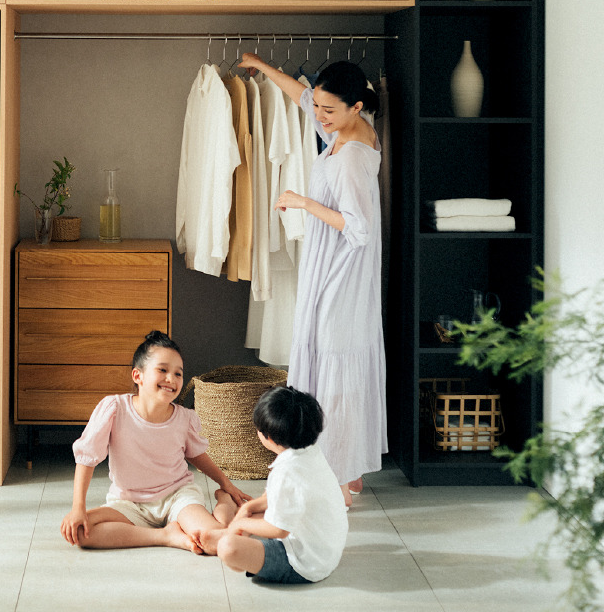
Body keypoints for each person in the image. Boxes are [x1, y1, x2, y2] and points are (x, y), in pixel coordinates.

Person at [237, 52, 387, 506]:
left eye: (327, 109)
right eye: (319, 107)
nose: (318, 115)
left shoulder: (352, 159)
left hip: (342, 272)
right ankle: (349, 470)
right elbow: (302, 97)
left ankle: (339, 478)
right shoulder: (345, 128)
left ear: (356, 106)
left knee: (335, 362)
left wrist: (303, 203)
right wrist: (261, 67)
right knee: (335, 361)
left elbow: (358, 228)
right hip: (332, 265)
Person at [60, 331, 253, 552]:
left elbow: (196, 455)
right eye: (162, 370)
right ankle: (164, 536)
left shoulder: (183, 418)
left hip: (176, 496)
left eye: (178, 373)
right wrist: (78, 508)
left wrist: (225, 484)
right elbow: (87, 458)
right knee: (82, 533)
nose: (171, 379)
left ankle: (224, 502)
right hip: (128, 502)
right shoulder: (114, 409)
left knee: (213, 541)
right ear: (137, 376)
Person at [204, 386, 349, 583]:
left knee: (228, 548)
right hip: (325, 550)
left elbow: (279, 530)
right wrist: (249, 507)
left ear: (267, 437)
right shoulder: (310, 451)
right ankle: (231, 531)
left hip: (303, 564)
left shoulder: (286, 473)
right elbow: (278, 498)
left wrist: (241, 523)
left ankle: (228, 535)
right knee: (254, 511)